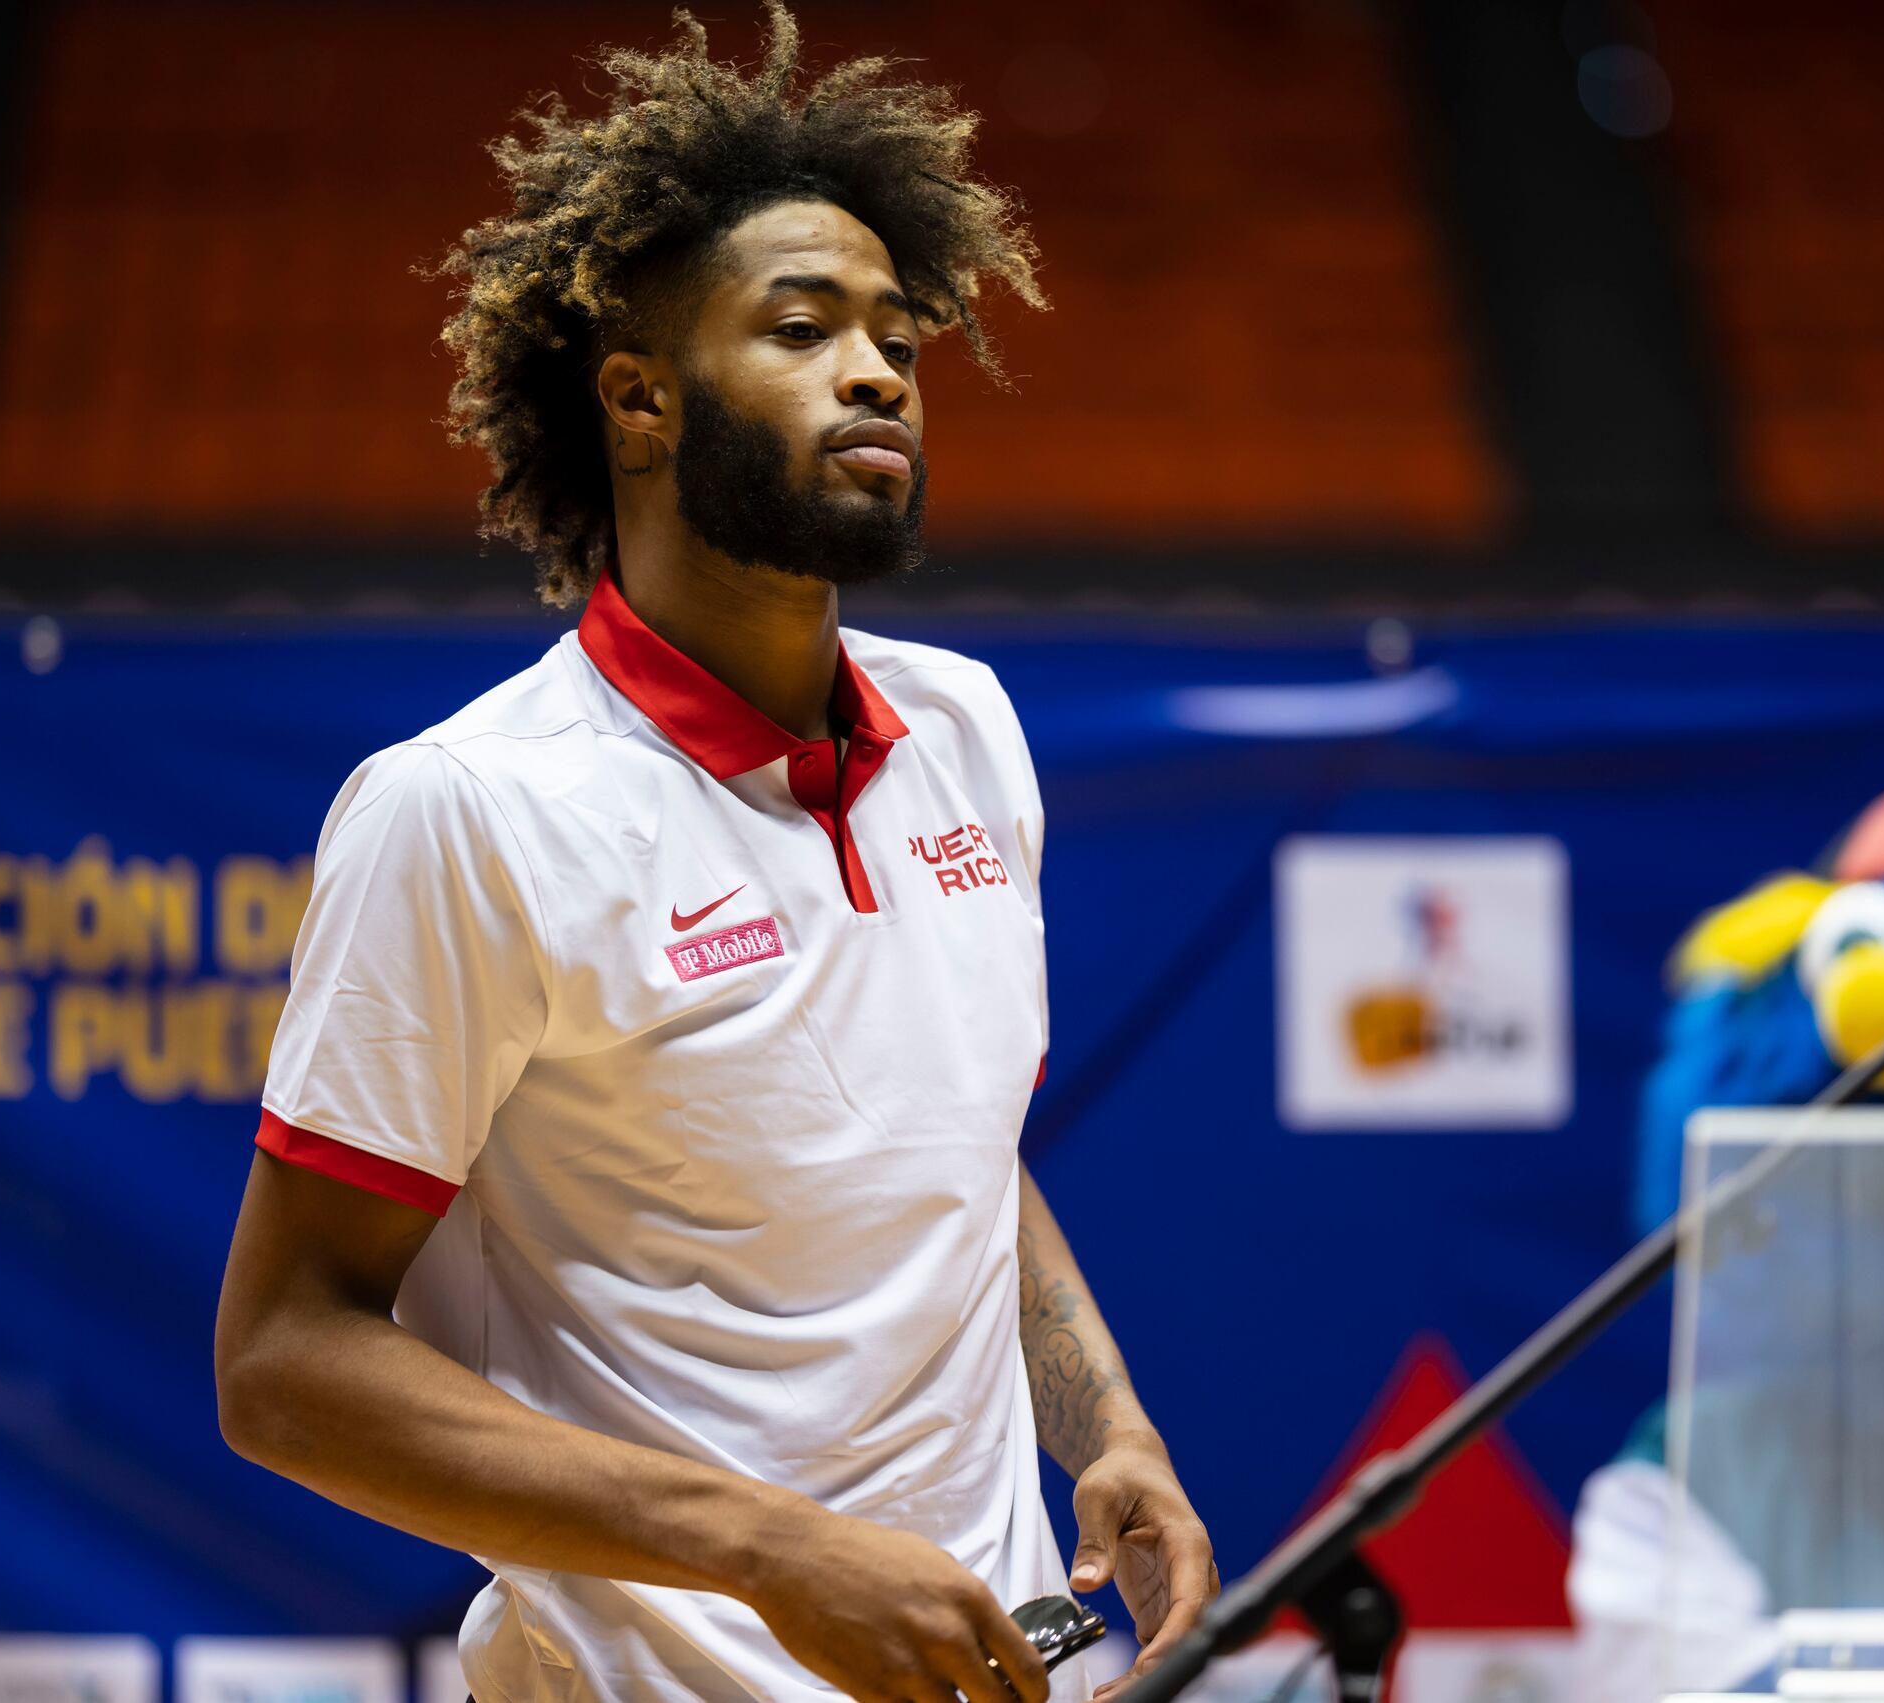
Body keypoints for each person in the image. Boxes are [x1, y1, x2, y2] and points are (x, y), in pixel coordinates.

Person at [210, 9, 1217, 1701]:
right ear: (639, 400)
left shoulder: (966, 729)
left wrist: (1102, 1420)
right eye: (804, 327)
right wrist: (764, 1545)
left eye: (899, 334)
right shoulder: (467, 806)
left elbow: (949, 1142)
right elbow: (286, 1363)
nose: (881, 370)